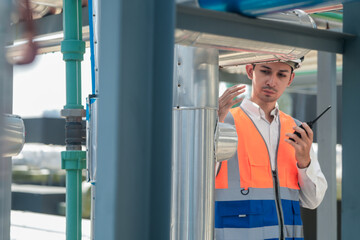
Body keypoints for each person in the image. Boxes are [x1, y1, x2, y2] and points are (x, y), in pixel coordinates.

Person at [215, 59, 327, 240]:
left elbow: (313, 200)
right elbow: (197, 180)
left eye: (281, 75)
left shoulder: (297, 130)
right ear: (250, 71)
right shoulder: (224, 123)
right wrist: (214, 125)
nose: (272, 81)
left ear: (290, 79)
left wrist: (304, 161)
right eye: (265, 72)